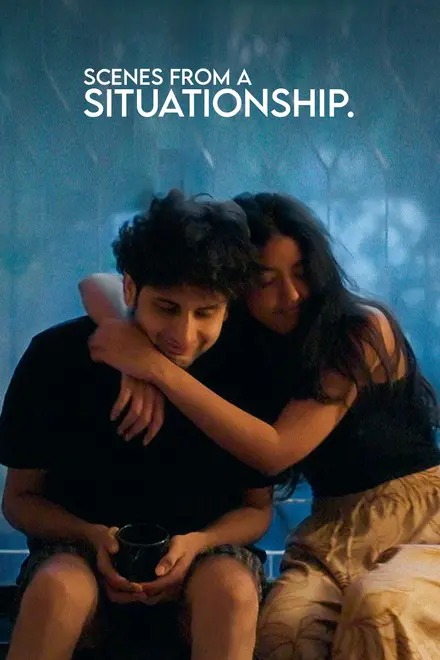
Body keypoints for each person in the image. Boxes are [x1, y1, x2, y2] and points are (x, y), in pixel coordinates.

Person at [81, 192, 440, 660]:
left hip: (422, 521)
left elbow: (275, 451)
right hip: (332, 530)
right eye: (266, 281)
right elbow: (97, 284)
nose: (290, 295)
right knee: (283, 631)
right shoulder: (245, 341)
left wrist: (153, 368)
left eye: (302, 273)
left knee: (381, 610)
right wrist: (131, 351)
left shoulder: (361, 330)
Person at [0, 190, 277, 660]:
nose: (183, 335)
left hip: (206, 554)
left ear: (228, 305)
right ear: (130, 290)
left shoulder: (248, 368)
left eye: (205, 313)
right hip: (78, 551)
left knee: (230, 590)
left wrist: (201, 542)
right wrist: (89, 534)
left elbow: (257, 510)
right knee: (57, 589)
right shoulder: (56, 357)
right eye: (166, 308)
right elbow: (19, 500)